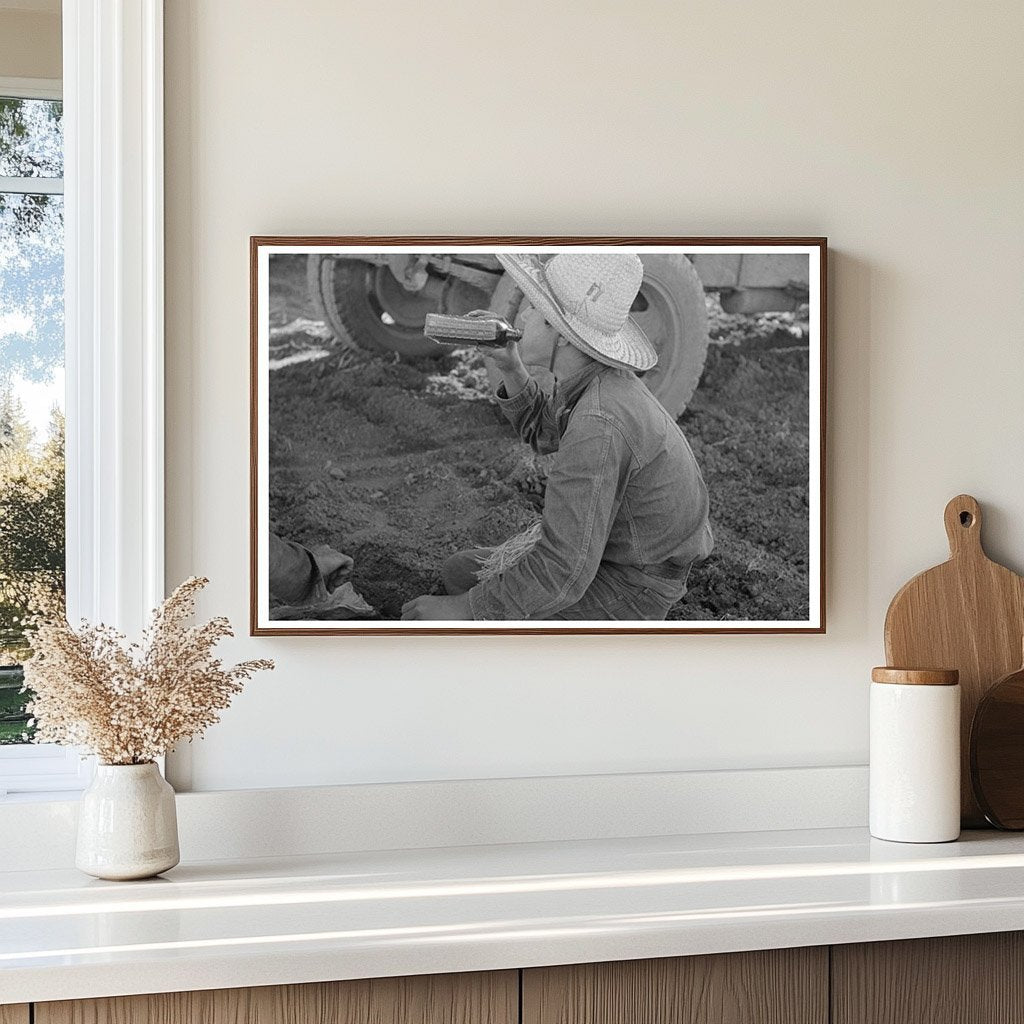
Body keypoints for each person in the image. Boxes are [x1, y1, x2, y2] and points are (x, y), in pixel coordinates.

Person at [401, 252, 713, 621]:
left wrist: (467, 610)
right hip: (614, 557)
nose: (523, 317)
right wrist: (511, 365)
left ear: (563, 337)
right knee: (460, 571)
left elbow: (564, 569)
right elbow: (545, 432)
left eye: (535, 309)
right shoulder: (599, 384)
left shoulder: (600, 421)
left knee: (466, 606)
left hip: (633, 585)